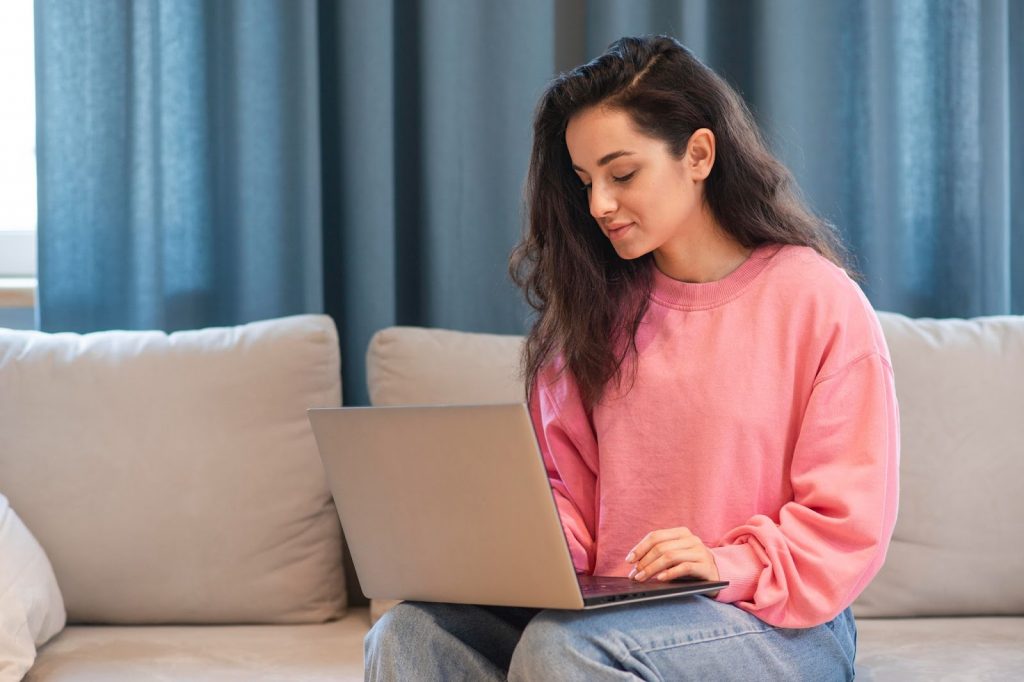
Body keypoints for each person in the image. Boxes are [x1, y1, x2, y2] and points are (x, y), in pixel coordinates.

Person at [364, 35, 898, 681]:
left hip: (775, 618)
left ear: (698, 154)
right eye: (585, 181)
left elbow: (847, 518)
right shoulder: (592, 312)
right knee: (410, 632)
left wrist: (724, 561)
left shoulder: (815, 299)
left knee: (564, 648)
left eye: (622, 174)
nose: (599, 205)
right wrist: (508, 546)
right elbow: (567, 495)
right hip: (613, 610)